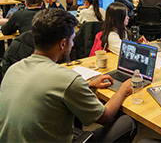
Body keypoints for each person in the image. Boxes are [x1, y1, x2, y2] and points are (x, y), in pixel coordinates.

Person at [0, 9, 136, 142]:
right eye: (72, 40)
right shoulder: (67, 79)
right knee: (127, 123)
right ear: (63, 44)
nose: (72, 44)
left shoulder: (14, 69)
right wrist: (123, 88)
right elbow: (105, 117)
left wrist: (88, 85)